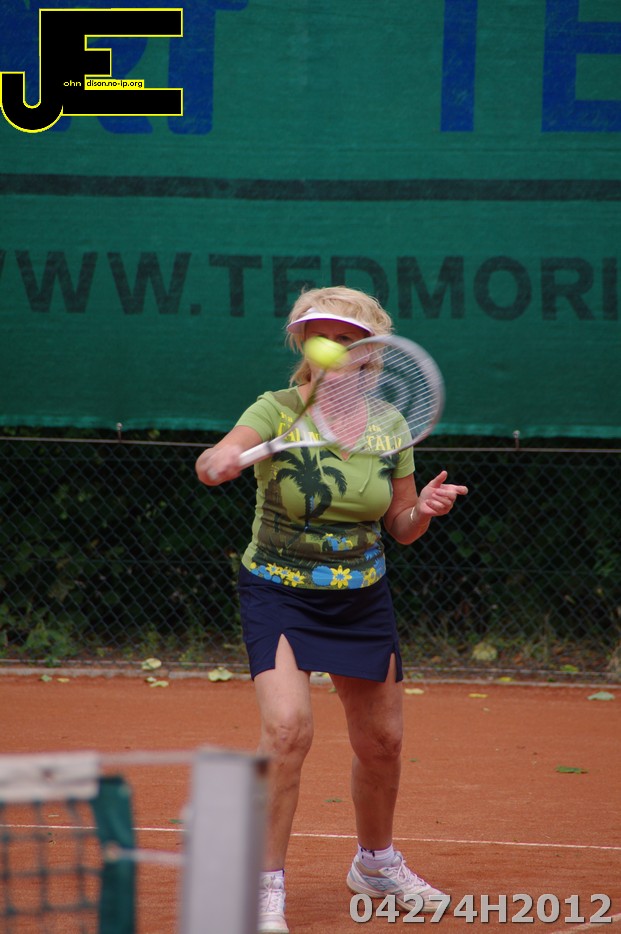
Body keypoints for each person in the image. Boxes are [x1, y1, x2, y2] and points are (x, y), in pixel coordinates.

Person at [195, 286, 468, 934]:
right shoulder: (276, 409)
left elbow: (399, 525)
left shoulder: (391, 425)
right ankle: (264, 886)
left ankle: (375, 864)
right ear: (305, 345)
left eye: (348, 339)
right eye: (321, 337)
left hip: (360, 597)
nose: (334, 349)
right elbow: (216, 457)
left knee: (383, 743)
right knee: (288, 730)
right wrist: (218, 460)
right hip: (279, 592)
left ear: (372, 352)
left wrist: (423, 511)